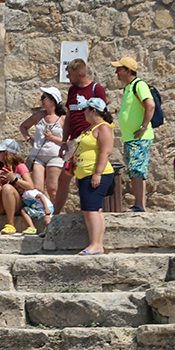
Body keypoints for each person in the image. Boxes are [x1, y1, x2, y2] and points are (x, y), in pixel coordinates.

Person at [54, 59, 106, 213]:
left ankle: (93, 210)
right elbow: (69, 117)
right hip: (74, 143)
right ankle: (54, 216)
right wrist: (64, 141)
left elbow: (103, 115)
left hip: (90, 142)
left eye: (70, 74)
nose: (68, 77)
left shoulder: (97, 89)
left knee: (86, 179)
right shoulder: (72, 90)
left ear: (80, 73)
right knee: (64, 178)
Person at [112, 56, 156, 212]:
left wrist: (143, 126)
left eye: (119, 69)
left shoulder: (139, 85)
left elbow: (150, 104)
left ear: (128, 70)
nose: (116, 72)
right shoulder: (128, 87)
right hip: (131, 137)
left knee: (137, 170)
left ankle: (139, 204)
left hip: (139, 137)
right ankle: (139, 204)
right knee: (135, 170)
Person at [73, 98, 115, 255]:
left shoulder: (103, 128)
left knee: (90, 210)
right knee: (93, 209)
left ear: (93, 111)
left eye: (86, 109)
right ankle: (97, 244)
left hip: (98, 174)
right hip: (86, 174)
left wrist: (97, 173)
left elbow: (106, 151)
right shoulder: (91, 128)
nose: (83, 112)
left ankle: (95, 244)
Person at [19, 86, 64, 204]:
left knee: (52, 188)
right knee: (37, 189)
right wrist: (30, 140)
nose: (41, 100)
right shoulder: (39, 115)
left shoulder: (63, 119)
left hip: (55, 156)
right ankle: (42, 211)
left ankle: (56, 213)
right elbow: (23, 126)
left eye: (43, 97)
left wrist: (53, 138)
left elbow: (68, 140)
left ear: (52, 100)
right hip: (38, 156)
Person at [0, 139, 34, 235]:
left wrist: (14, 179)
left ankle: (10, 224)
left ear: (7, 154)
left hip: (15, 204)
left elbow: (31, 186)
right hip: (0, 205)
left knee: (7, 187)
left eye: (0, 151)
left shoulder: (20, 166)